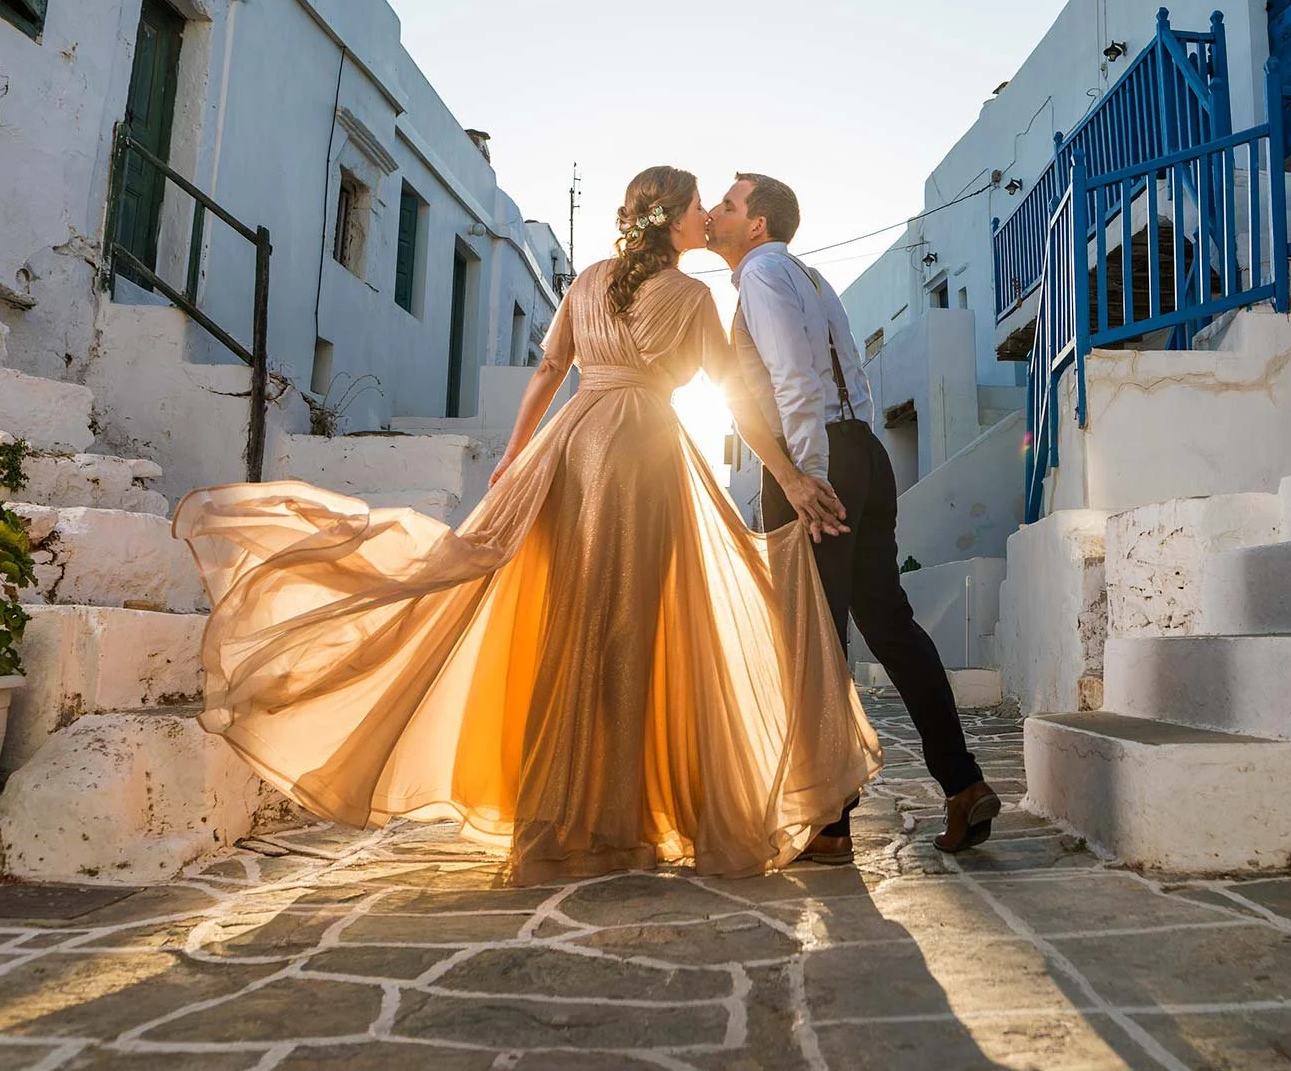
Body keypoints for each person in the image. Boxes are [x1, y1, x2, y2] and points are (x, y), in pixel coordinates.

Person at [172, 166, 881, 883]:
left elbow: (548, 372)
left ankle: (562, 812)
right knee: (633, 628)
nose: (707, 216)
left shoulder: (589, 281)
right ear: (671, 220)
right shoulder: (696, 298)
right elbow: (739, 399)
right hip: (644, 458)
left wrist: (515, 457)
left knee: (570, 620)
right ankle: (617, 816)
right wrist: (791, 476)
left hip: (573, 447)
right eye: (699, 206)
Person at [706, 172, 999, 864]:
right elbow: (854, 380)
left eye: (728, 203)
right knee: (889, 622)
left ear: (756, 224)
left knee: (815, 637)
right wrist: (851, 453)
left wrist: (806, 475)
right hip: (861, 451)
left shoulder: (762, 275)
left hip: (817, 460)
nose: (715, 211)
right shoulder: (810, 278)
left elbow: (792, 381)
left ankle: (830, 822)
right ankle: (963, 784)